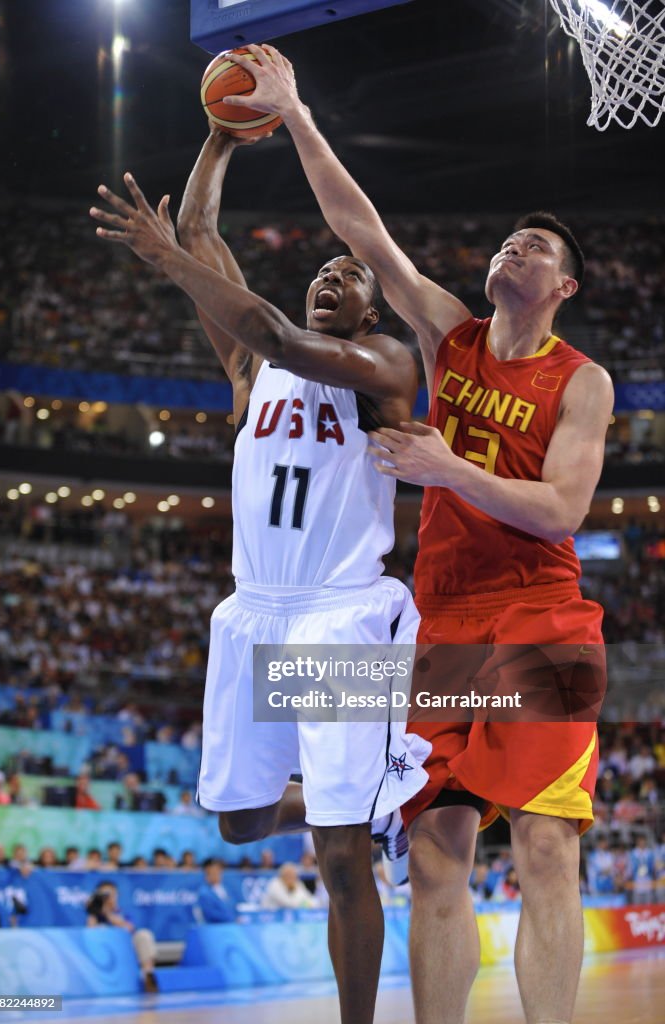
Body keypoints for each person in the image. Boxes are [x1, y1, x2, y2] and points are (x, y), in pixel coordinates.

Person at [220, 46, 615, 1024]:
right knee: (432, 849)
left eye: (535, 249)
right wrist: (300, 113)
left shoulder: (583, 380)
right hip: (436, 624)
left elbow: (563, 511)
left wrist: (453, 470)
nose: (513, 252)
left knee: (546, 842)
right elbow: (366, 230)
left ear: (563, 286)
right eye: (508, 244)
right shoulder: (450, 335)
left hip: (541, 613)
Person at [90, 115, 431, 1024]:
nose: (331, 274)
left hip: (341, 613)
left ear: (368, 312)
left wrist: (166, 261)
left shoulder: (384, 367)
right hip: (255, 612)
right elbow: (203, 238)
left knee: (339, 859)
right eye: (321, 268)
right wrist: (216, 140)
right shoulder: (250, 372)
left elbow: (271, 326)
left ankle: (353, 836)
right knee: (238, 823)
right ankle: (349, 800)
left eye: (348, 275)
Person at [86, 881, 158, 993]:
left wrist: (108, 914)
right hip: (105, 951)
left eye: (110, 894)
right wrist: (93, 912)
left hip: (125, 947)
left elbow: (129, 929)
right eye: (103, 895)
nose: (107, 898)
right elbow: (90, 933)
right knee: (101, 929)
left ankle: (148, 975)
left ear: (116, 895)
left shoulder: (124, 913)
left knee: (144, 935)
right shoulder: (95, 915)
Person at [196, 858, 236, 922]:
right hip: (216, 927)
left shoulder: (226, 888)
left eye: (218, 872)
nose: (217, 875)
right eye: (213, 873)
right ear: (207, 876)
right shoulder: (204, 893)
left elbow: (233, 905)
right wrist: (230, 919)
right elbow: (210, 914)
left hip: (231, 925)